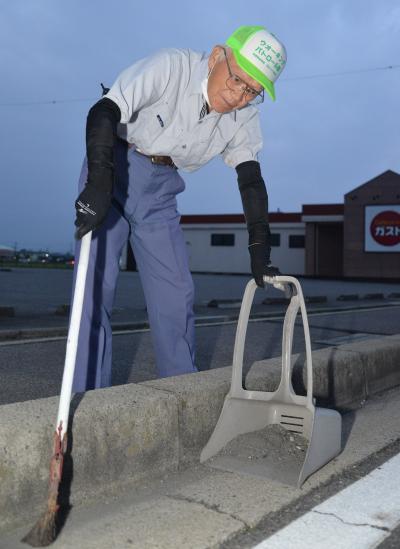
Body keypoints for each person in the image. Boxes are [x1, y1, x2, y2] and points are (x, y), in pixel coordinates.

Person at [72, 25, 287, 392]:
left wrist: (259, 245)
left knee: (176, 293)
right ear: (218, 55)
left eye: (252, 91)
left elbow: (250, 179)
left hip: (161, 191)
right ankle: (86, 397)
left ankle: (181, 392)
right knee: (93, 290)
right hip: (115, 167)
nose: (238, 96)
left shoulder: (244, 116)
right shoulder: (171, 67)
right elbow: (105, 111)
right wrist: (98, 180)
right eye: (237, 80)